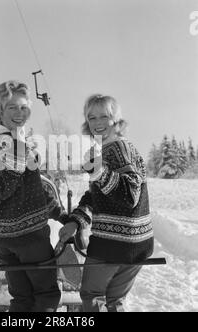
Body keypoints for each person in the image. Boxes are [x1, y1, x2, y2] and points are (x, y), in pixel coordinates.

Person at [58, 94, 154, 312]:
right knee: (114, 301)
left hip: (115, 244)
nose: (97, 123)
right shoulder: (113, 148)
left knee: (92, 296)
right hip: (137, 243)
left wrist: (99, 171)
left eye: (104, 116)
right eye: (92, 118)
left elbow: (130, 195)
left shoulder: (116, 149)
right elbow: (96, 194)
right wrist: (77, 221)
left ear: (116, 121)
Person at [0, 80, 67, 312]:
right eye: (12, 107)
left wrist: (60, 214)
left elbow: (31, 189)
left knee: (21, 299)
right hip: (27, 237)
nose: (19, 113)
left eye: (23, 107)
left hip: (4, 237)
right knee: (46, 295)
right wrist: (21, 152)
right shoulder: (7, 141)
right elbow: (2, 188)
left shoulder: (8, 138)